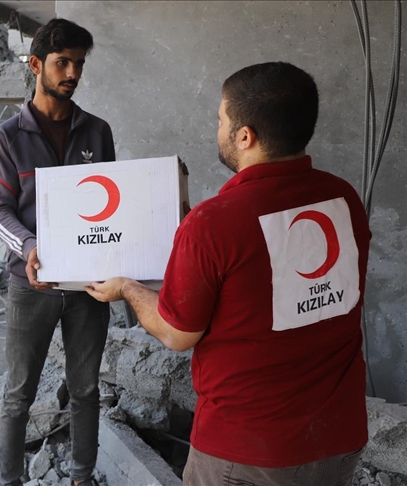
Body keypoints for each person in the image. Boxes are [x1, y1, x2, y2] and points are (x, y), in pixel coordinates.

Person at [86, 62, 370, 486]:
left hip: (248, 453)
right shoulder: (343, 197)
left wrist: (127, 288)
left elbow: (176, 334)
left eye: (220, 119)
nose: (216, 129)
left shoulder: (213, 222)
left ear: (245, 136)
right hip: (338, 437)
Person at [0, 18, 115, 486]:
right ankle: (10, 480)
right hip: (31, 284)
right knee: (18, 393)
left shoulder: (97, 132)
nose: (73, 73)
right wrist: (30, 247)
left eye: (79, 64)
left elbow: (111, 206)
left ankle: (82, 477)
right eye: (63, 63)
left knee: (86, 388)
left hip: (88, 286)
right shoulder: (8, 137)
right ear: (36, 65)